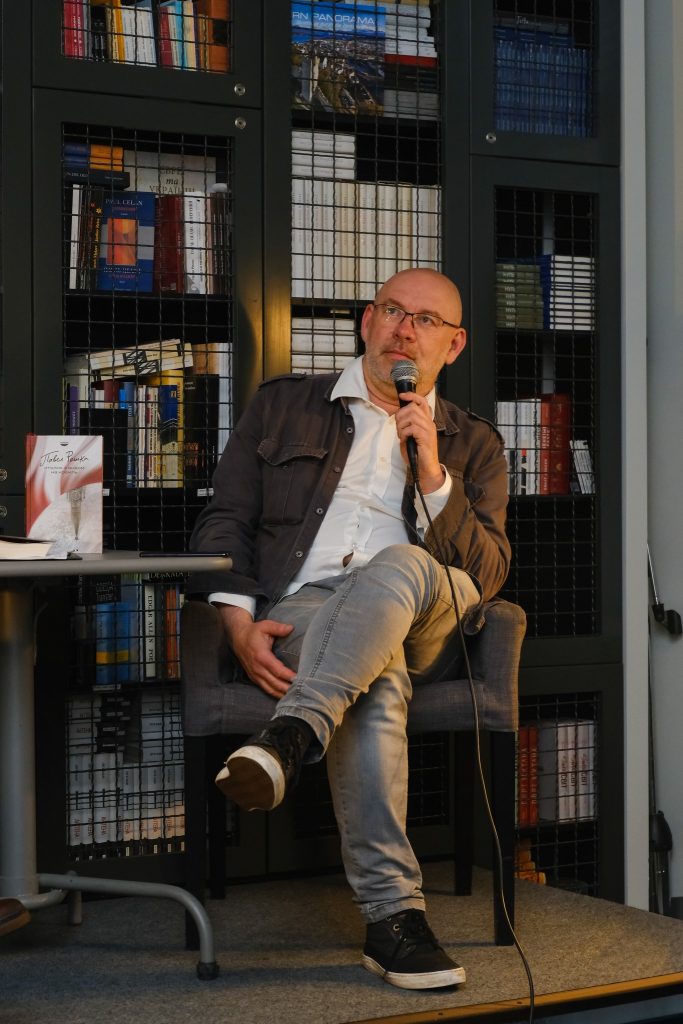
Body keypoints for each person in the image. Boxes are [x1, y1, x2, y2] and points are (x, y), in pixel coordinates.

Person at [189, 267, 510, 990]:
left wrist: (434, 476)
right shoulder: (282, 406)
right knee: (375, 684)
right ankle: (394, 921)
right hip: (310, 609)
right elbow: (224, 521)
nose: (405, 330)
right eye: (393, 311)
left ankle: (292, 730)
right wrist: (237, 623)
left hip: (432, 610)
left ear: (453, 345)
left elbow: (487, 574)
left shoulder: (474, 443)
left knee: (400, 562)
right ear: (367, 322)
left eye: (426, 321)